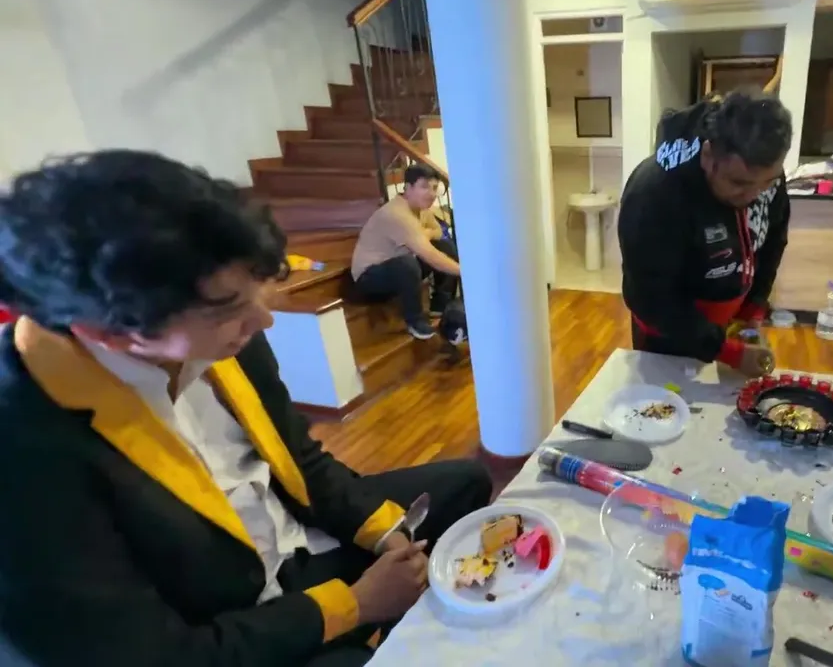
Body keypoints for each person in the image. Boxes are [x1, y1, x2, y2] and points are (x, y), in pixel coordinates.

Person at [0, 151, 493, 667]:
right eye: (229, 309)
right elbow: (156, 656)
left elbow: (300, 457)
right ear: (112, 333)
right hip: (229, 624)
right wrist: (355, 605)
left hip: (295, 544)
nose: (263, 321)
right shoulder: (24, 455)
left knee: (464, 484)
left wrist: (388, 534)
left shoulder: (228, 338)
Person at [619, 89, 793, 377]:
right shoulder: (653, 193)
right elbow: (650, 296)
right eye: (738, 183)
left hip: (728, 325)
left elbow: (774, 240)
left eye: (767, 183)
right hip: (667, 333)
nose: (753, 195)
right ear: (708, 154)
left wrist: (754, 307)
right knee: (665, 399)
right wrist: (725, 351)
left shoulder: (764, 175)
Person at [350, 164, 460, 340]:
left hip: (397, 271)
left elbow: (438, 231)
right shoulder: (396, 214)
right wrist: (465, 272)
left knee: (444, 246)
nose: (431, 194)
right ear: (408, 188)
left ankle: (440, 306)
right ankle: (415, 322)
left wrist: (425, 234)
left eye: (434, 188)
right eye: (424, 187)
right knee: (407, 264)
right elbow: (430, 256)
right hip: (369, 279)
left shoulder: (421, 210)